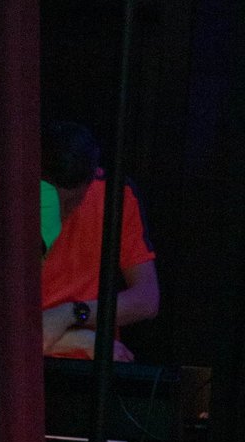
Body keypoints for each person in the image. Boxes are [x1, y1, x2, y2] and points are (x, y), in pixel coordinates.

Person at [39, 121, 159, 360]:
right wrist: (79, 338)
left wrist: (71, 314)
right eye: (49, 199)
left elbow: (147, 299)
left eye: (71, 202)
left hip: (91, 363)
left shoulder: (113, 194)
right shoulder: (11, 196)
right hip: (27, 361)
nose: (59, 212)